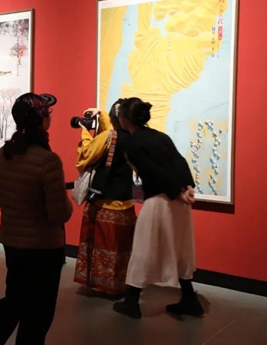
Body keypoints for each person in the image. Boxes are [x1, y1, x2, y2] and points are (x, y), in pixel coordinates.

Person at [0, 93, 73, 345]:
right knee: (38, 315)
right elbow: (59, 214)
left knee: (14, 301)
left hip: (13, 244)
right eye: (47, 113)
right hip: (44, 249)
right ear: (42, 120)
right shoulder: (48, 160)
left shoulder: (4, 154)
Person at [112, 97, 204, 319]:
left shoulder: (133, 144)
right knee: (180, 249)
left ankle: (132, 302)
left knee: (143, 248)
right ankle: (190, 299)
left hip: (159, 200)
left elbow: (154, 172)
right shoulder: (160, 136)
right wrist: (186, 186)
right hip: (178, 201)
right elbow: (179, 162)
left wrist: (177, 189)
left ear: (124, 119)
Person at [73, 100, 137, 297]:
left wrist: (85, 132)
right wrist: (101, 114)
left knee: (100, 247)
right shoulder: (134, 137)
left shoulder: (109, 137)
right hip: (126, 204)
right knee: (123, 248)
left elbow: (85, 155)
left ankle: (101, 284)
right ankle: (121, 284)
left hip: (104, 203)